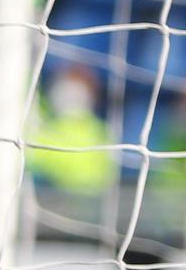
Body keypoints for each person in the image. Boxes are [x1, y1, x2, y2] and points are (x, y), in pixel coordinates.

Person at [27, 64, 118, 194]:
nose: (70, 96)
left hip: (77, 199)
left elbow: (99, 176)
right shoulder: (43, 116)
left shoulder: (99, 132)